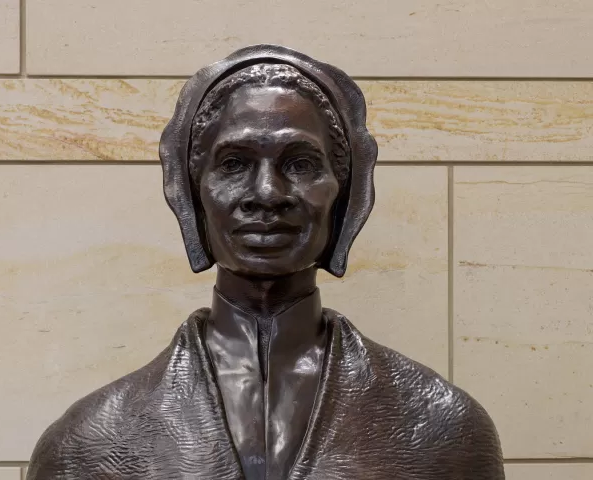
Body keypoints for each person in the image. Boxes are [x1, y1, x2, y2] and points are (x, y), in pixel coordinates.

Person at [27, 45, 504, 480]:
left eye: (299, 163)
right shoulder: (84, 446)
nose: (267, 194)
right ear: (194, 193)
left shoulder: (445, 430)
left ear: (343, 193)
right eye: (234, 164)